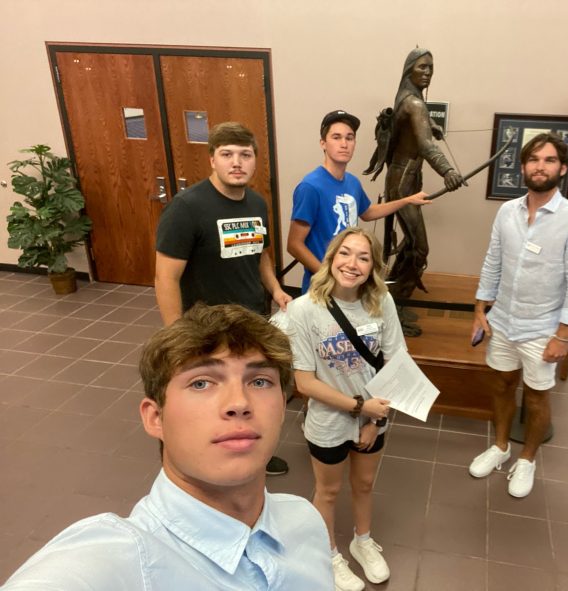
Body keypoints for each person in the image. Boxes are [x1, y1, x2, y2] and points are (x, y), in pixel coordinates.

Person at [3, 304, 333, 590]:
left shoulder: (305, 521)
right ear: (155, 417)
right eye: (201, 382)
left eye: (259, 381)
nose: (239, 403)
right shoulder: (117, 558)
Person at [155, 121, 292, 476]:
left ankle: (252, 453)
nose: (237, 162)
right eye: (227, 154)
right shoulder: (187, 208)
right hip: (204, 329)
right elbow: (165, 276)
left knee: (247, 392)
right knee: (204, 395)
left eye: (245, 155)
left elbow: (261, 255)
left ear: (255, 160)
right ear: (212, 159)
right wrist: (176, 336)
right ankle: (184, 463)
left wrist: (276, 289)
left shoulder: (258, 203)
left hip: (251, 323)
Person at [469, 133, 568, 498]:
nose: (541, 166)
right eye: (534, 160)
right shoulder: (507, 211)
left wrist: (564, 335)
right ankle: (501, 447)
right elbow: (493, 261)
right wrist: (480, 309)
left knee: (538, 397)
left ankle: (527, 459)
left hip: (544, 327)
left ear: (563, 168)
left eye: (549, 160)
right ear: (524, 166)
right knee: (502, 385)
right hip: (504, 321)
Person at [286, 227, 404, 591]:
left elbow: (396, 362)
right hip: (328, 421)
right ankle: (330, 553)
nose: (352, 264)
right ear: (331, 258)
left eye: (364, 258)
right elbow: (304, 382)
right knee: (329, 491)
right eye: (345, 254)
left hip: (373, 417)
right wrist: (359, 406)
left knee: (365, 483)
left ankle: (362, 540)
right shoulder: (304, 310)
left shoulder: (381, 301)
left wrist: (372, 417)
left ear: (373, 267)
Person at [287, 109, 430, 294]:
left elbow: (368, 212)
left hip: (350, 282)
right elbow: (294, 244)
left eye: (350, 138)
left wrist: (407, 200)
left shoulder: (352, 182)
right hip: (322, 286)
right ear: (323, 143)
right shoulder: (310, 187)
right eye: (336, 137)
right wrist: (328, 274)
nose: (344, 144)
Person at [376, 48, 463, 328]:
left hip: (405, 180)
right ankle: (393, 306)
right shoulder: (414, 103)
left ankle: (393, 302)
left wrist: (431, 124)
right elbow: (425, 146)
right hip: (402, 183)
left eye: (430, 68)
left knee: (413, 245)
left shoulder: (407, 100)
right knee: (419, 248)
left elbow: (411, 132)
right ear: (409, 69)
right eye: (422, 67)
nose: (427, 73)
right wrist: (448, 170)